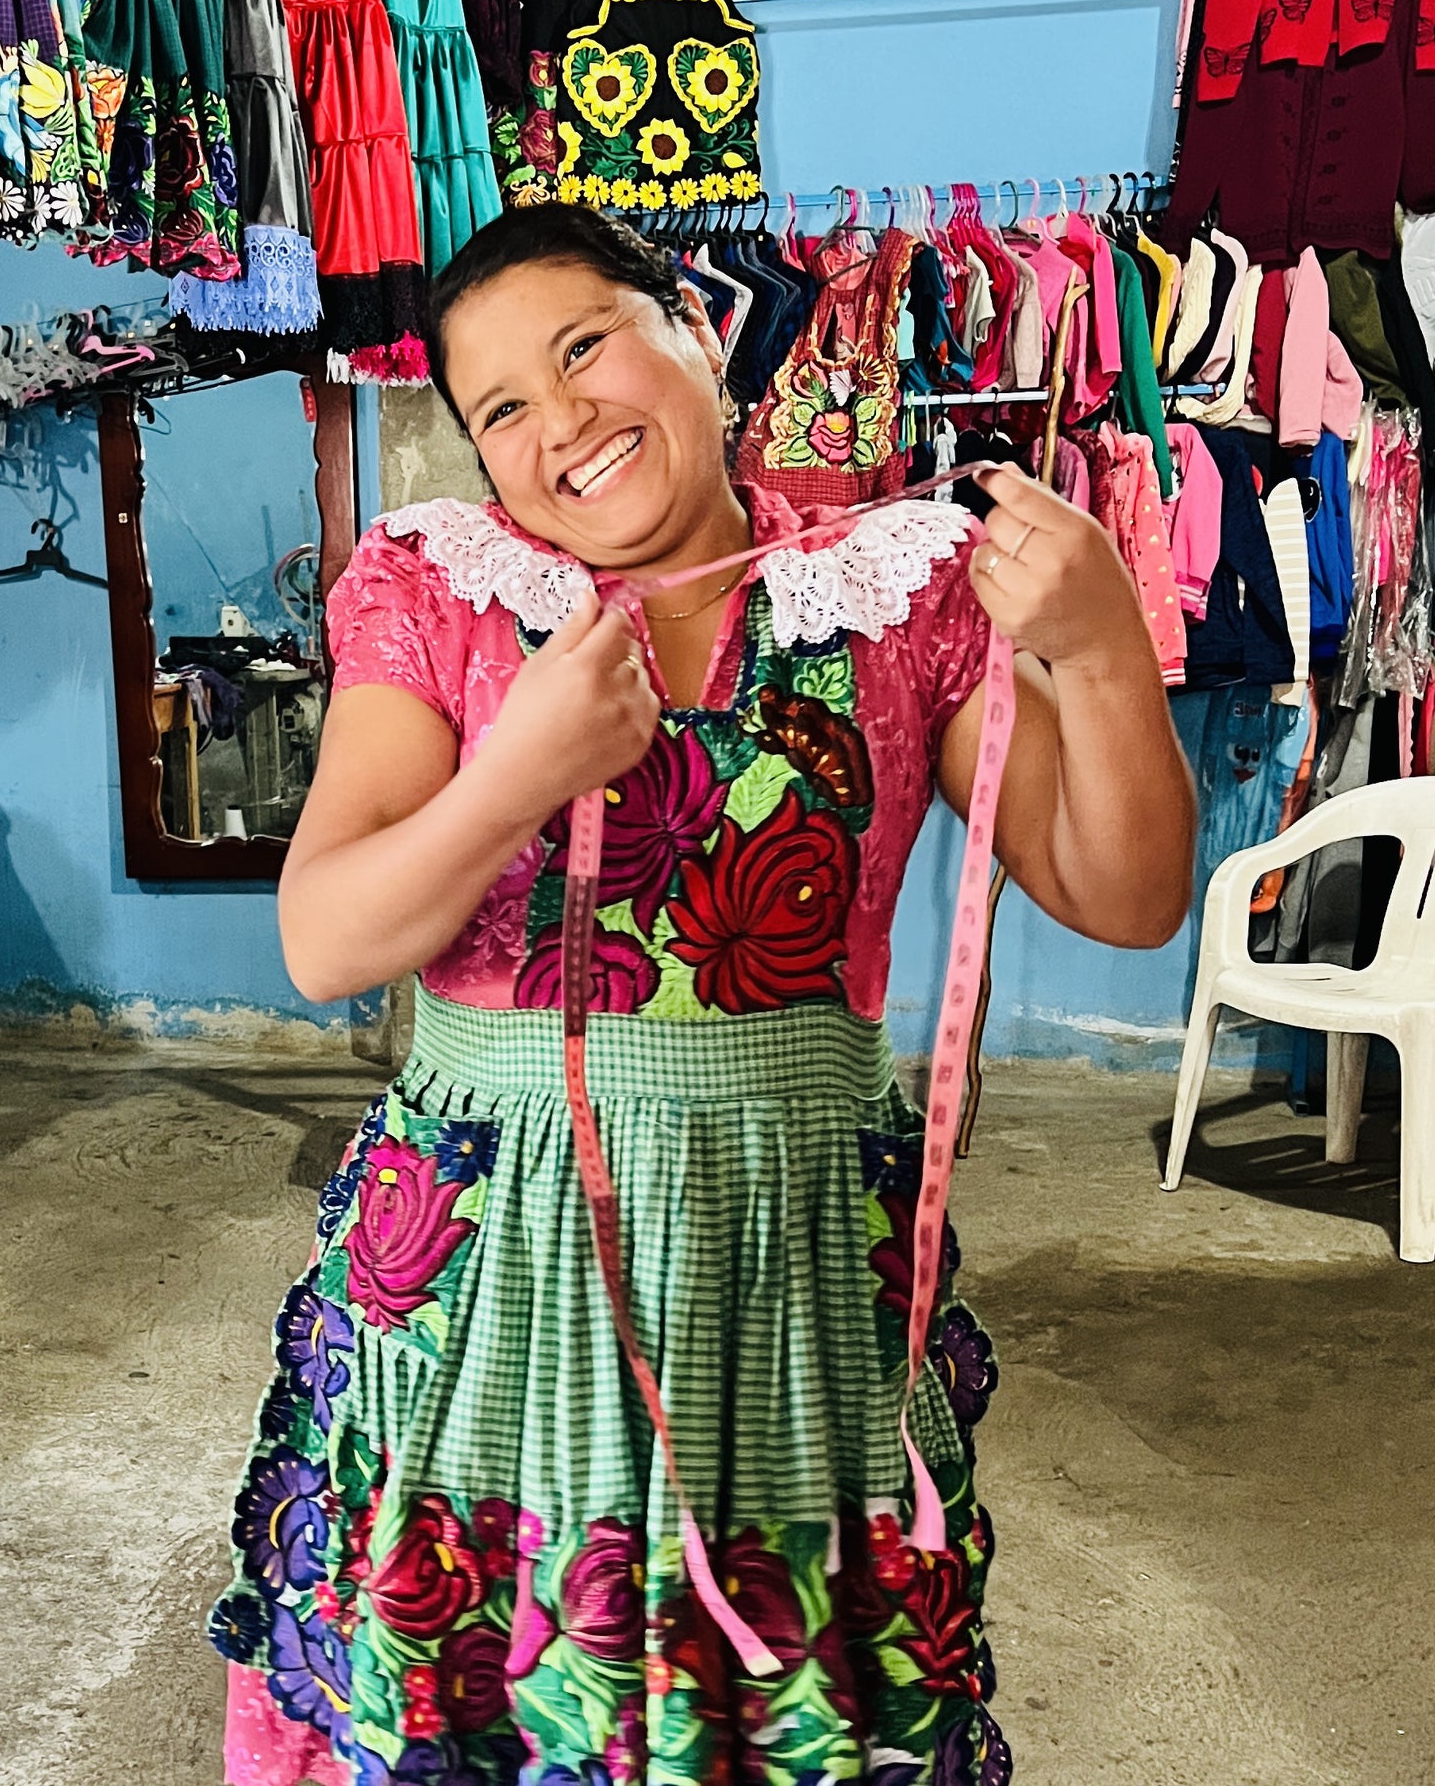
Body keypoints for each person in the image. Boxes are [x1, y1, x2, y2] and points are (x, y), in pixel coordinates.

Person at [211, 205, 1193, 1786]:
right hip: (490, 1274)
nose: (561, 425)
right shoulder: (441, 594)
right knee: (478, 1686)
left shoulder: (896, 594)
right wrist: (511, 778)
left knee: (781, 1701)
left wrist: (1102, 650)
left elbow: (1128, 897)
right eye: (503, 411)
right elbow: (326, 941)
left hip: (788, 1267)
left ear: (699, 334)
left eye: (586, 346)